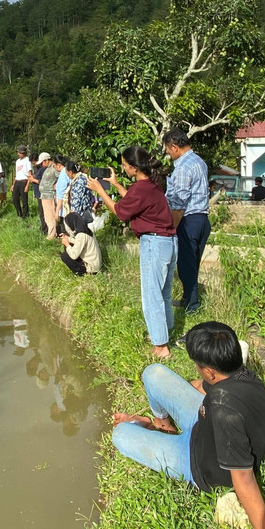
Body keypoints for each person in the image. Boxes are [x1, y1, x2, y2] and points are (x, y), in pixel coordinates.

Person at [112, 321, 265, 529]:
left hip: (197, 462)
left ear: (210, 371)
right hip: (203, 424)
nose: (197, 370)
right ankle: (161, 423)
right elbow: (202, 387)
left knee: (120, 435)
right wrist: (176, 392)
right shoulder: (240, 373)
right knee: (153, 373)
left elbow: (244, 479)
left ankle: (147, 428)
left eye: (198, 366)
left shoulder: (226, 414)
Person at [89, 146, 176, 361]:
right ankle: (164, 332)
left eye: (125, 166)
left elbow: (120, 212)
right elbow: (133, 203)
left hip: (154, 243)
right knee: (163, 292)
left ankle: (161, 347)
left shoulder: (141, 188)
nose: (122, 168)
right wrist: (116, 184)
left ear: (134, 168)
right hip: (168, 242)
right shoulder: (151, 185)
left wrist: (100, 190)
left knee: (151, 295)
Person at [163, 128, 211, 316]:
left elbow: (180, 201)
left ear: (174, 146)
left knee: (185, 265)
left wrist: (172, 226)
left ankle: (192, 305)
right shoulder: (199, 161)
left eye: (168, 149)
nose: (168, 153)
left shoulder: (182, 167)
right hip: (202, 219)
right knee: (193, 263)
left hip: (188, 219)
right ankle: (187, 298)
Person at [58, 212, 102, 276]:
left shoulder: (81, 235)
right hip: (95, 265)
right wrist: (68, 239)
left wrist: (67, 244)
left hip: (92, 269)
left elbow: (74, 255)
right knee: (69, 247)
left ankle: (82, 273)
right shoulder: (86, 230)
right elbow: (79, 242)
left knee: (65, 256)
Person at [37, 153, 59, 239]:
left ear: (46, 160)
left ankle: (52, 234)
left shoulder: (54, 168)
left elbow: (60, 178)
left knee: (50, 216)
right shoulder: (47, 169)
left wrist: (55, 186)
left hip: (49, 195)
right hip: (45, 195)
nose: (42, 164)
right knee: (47, 216)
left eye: (42, 162)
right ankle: (52, 233)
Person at [29, 153, 48, 234]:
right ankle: (43, 226)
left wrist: (33, 180)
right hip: (38, 193)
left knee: (43, 212)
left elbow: (44, 182)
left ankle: (45, 228)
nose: (34, 164)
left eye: (34, 162)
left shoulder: (43, 169)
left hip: (42, 193)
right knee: (41, 211)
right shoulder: (37, 168)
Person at [12, 145, 32, 219]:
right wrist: (13, 184)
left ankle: (25, 215)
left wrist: (27, 185)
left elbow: (30, 174)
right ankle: (19, 213)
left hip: (24, 181)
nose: (19, 154)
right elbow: (16, 174)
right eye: (18, 152)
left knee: (24, 200)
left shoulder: (27, 161)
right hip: (17, 181)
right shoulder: (17, 161)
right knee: (15, 199)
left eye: (20, 152)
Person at [53, 155, 69, 226]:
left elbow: (61, 195)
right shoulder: (66, 172)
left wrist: (57, 212)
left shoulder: (63, 174)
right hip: (66, 206)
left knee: (65, 229)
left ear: (58, 165)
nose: (54, 167)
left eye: (54, 165)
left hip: (64, 207)